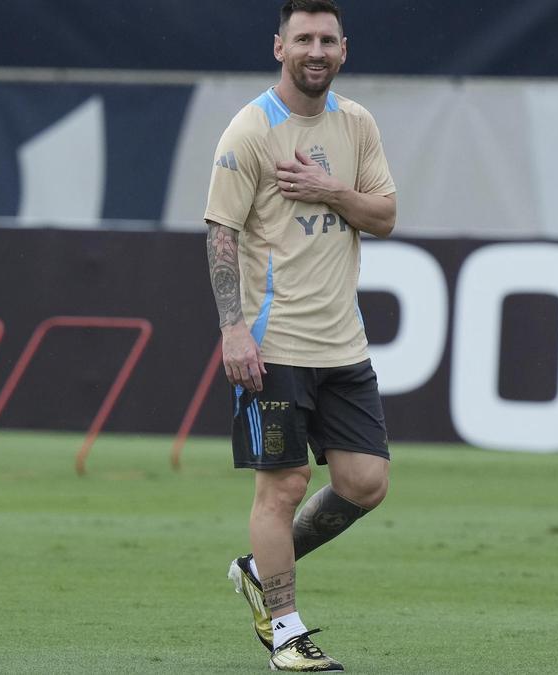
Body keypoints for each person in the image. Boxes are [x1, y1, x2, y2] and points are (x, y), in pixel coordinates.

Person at [203, 0, 397, 671]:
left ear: (344, 49)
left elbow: (386, 214)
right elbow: (220, 233)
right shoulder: (250, 130)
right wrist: (232, 328)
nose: (316, 51)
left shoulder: (358, 125)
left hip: (343, 344)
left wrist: (328, 189)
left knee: (365, 482)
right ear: (278, 46)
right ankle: (286, 632)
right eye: (303, 38)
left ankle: (259, 570)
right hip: (272, 343)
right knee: (282, 487)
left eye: (327, 40)